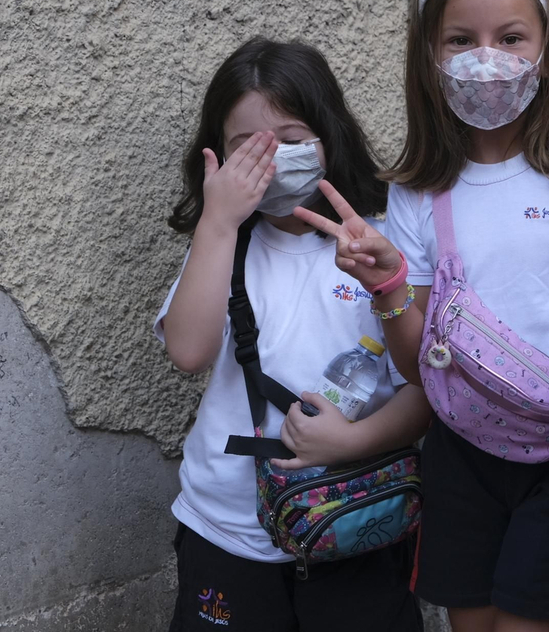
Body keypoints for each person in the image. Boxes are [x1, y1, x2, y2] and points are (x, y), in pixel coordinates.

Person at [295, 0, 549, 632]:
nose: (486, 57)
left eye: (511, 36)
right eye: (460, 39)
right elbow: (417, 365)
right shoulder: (416, 193)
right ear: (429, 59)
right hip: (462, 451)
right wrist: (389, 287)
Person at [156, 38, 429, 632]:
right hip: (227, 531)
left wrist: (351, 443)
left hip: (360, 521)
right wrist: (217, 220)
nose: (271, 158)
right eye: (246, 147)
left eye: (291, 139)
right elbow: (188, 351)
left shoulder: (381, 245)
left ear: (328, 138)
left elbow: (427, 386)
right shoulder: (223, 245)